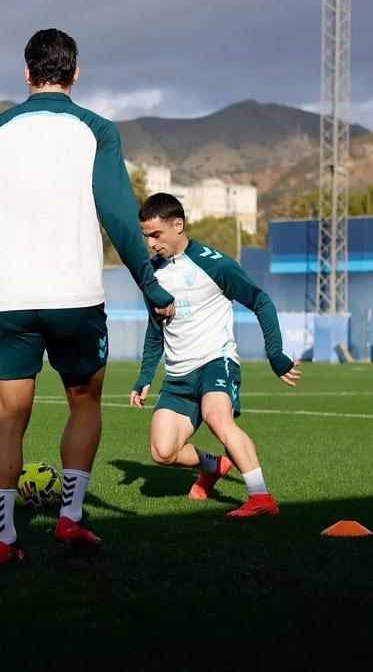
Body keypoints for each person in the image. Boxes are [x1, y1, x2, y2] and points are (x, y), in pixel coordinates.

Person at [0, 28, 174, 563]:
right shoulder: (97, 130)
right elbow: (118, 214)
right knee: (85, 402)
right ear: (75, 74)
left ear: (26, 73)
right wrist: (150, 284)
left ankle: (1, 539)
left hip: (11, 299)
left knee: (9, 416)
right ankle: (70, 518)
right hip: (76, 297)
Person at [130, 193, 301, 516]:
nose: (151, 243)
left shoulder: (215, 264)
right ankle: (213, 466)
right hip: (177, 375)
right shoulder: (152, 275)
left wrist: (275, 353)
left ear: (178, 225)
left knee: (217, 417)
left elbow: (260, 301)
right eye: (146, 236)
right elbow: (155, 328)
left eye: (156, 235)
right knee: (162, 452)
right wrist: (145, 375)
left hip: (215, 362)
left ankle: (261, 498)